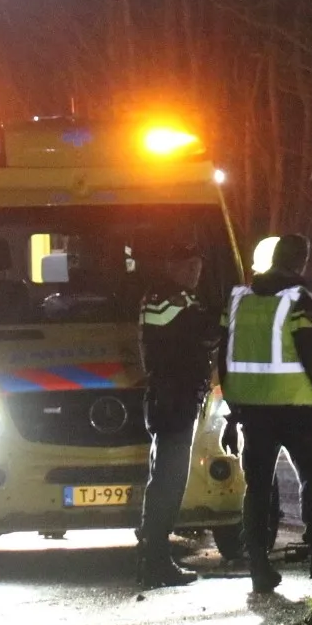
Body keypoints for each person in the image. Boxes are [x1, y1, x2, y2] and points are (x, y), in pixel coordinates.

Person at [217, 233, 312, 594]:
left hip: (251, 409)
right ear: (301, 261)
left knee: (256, 487)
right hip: (296, 405)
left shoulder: (238, 300)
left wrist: (232, 406)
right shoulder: (300, 300)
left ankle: (258, 565)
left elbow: (222, 353)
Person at [136, 242, 214, 588]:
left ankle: (153, 555)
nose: (194, 273)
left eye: (197, 267)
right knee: (169, 481)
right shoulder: (172, 299)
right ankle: (155, 560)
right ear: (170, 265)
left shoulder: (166, 296)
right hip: (174, 398)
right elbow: (203, 334)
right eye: (188, 266)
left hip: (169, 397)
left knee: (164, 479)